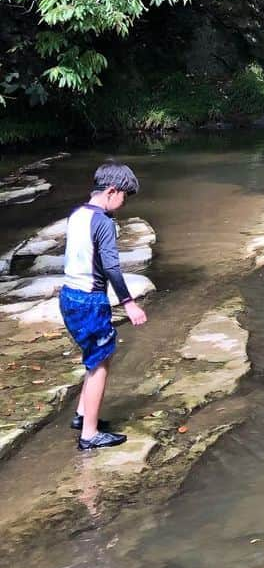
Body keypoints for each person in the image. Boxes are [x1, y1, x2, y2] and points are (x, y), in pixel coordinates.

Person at [59, 163, 148, 450]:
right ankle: (89, 434)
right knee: (99, 365)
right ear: (111, 191)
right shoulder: (104, 223)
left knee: (95, 355)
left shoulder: (78, 214)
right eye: (124, 197)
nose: (123, 204)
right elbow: (111, 267)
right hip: (90, 299)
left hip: (69, 295)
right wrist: (129, 303)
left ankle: (83, 413)